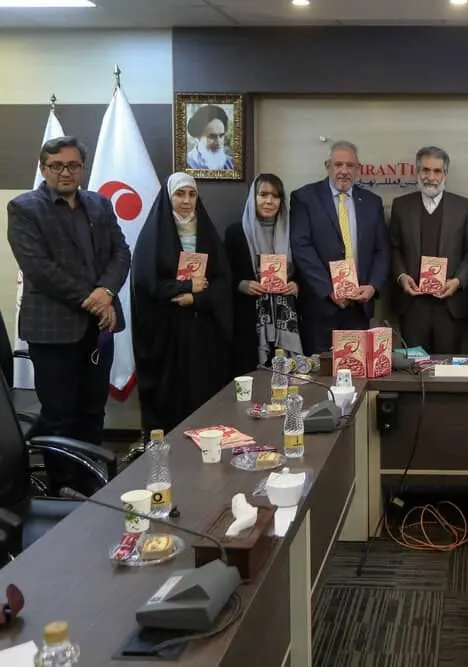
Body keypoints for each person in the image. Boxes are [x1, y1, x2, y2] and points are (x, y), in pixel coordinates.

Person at [7, 136, 131, 491]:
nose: (65, 171)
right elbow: (39, 268)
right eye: (56, 165)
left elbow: (121, 253)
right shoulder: (25, 208)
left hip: (99, 327)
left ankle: (93, 483)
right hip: (54, 331)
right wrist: (93, 299)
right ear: (43, 168)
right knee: (60, 415)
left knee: (93, 411)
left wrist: (106, 292)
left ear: (82, 168)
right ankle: (63, 488)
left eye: (73, 165)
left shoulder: (100, 205)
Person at [132, 173, 233, 434]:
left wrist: (196, 298)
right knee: (169, 395)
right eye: (180, 194)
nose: (186, 201)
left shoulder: (208, 233)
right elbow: (146, 282)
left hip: (202, 332)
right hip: (166, 333)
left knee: (202, 393)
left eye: (192, 194)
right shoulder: (154, 233)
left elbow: (222, 281)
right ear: (168, 197)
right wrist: (184, 287)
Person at [290, 140, 389, 355]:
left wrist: (372, 286)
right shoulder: (305, 198)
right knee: (320, 375)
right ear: (327, 166)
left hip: (359, 307)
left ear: (358, 169)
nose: (344, 171)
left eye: (350, 166)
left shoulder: (372, 202)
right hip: (321, 306)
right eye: (338, 165)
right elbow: (301, 248)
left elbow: (382, 249)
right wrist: (329, 290)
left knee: (356, 373)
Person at [388, 146, 468, 354]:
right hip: (412, 304)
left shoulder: (463, 207)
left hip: (449, 304)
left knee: (447, 371)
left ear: (445, 174)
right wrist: (401, 277)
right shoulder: (401, 205)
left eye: (437, 171)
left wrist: (458, 281)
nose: (430, 177)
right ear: (417, 172)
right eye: (425, 170)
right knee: (413, 370)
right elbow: (394, 247)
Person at [225, 174, 302, 376]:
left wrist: (297, 285)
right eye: (263, 194)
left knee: (288, 383)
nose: (269, 201)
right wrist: (241, 285)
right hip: (250, 322)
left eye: (275, 196)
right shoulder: (236, 232)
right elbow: (223, 274)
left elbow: (305, 269)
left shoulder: (294, 232)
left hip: (288, 320)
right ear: (253, 197)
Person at [186, 104, 234, 171]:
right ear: (198, 137)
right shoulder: (187, 163)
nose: (218, 142)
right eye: (212, 136)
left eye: (221, 136)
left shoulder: (230, 163)